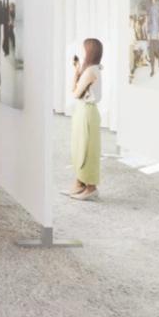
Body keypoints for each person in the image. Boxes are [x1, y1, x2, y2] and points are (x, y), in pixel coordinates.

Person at [68, 38, 104, 201]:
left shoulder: (90, 71)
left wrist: (77, 72)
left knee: (87, 150)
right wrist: (77, 71)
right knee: (80, 147)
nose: (82, 54)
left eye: (84, 50)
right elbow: (76, 91)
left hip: (87, 112)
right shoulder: (91, 69)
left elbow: (75, 93)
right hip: (84, 111)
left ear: (90, 52)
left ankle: (91, 188)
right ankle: (80, 183)